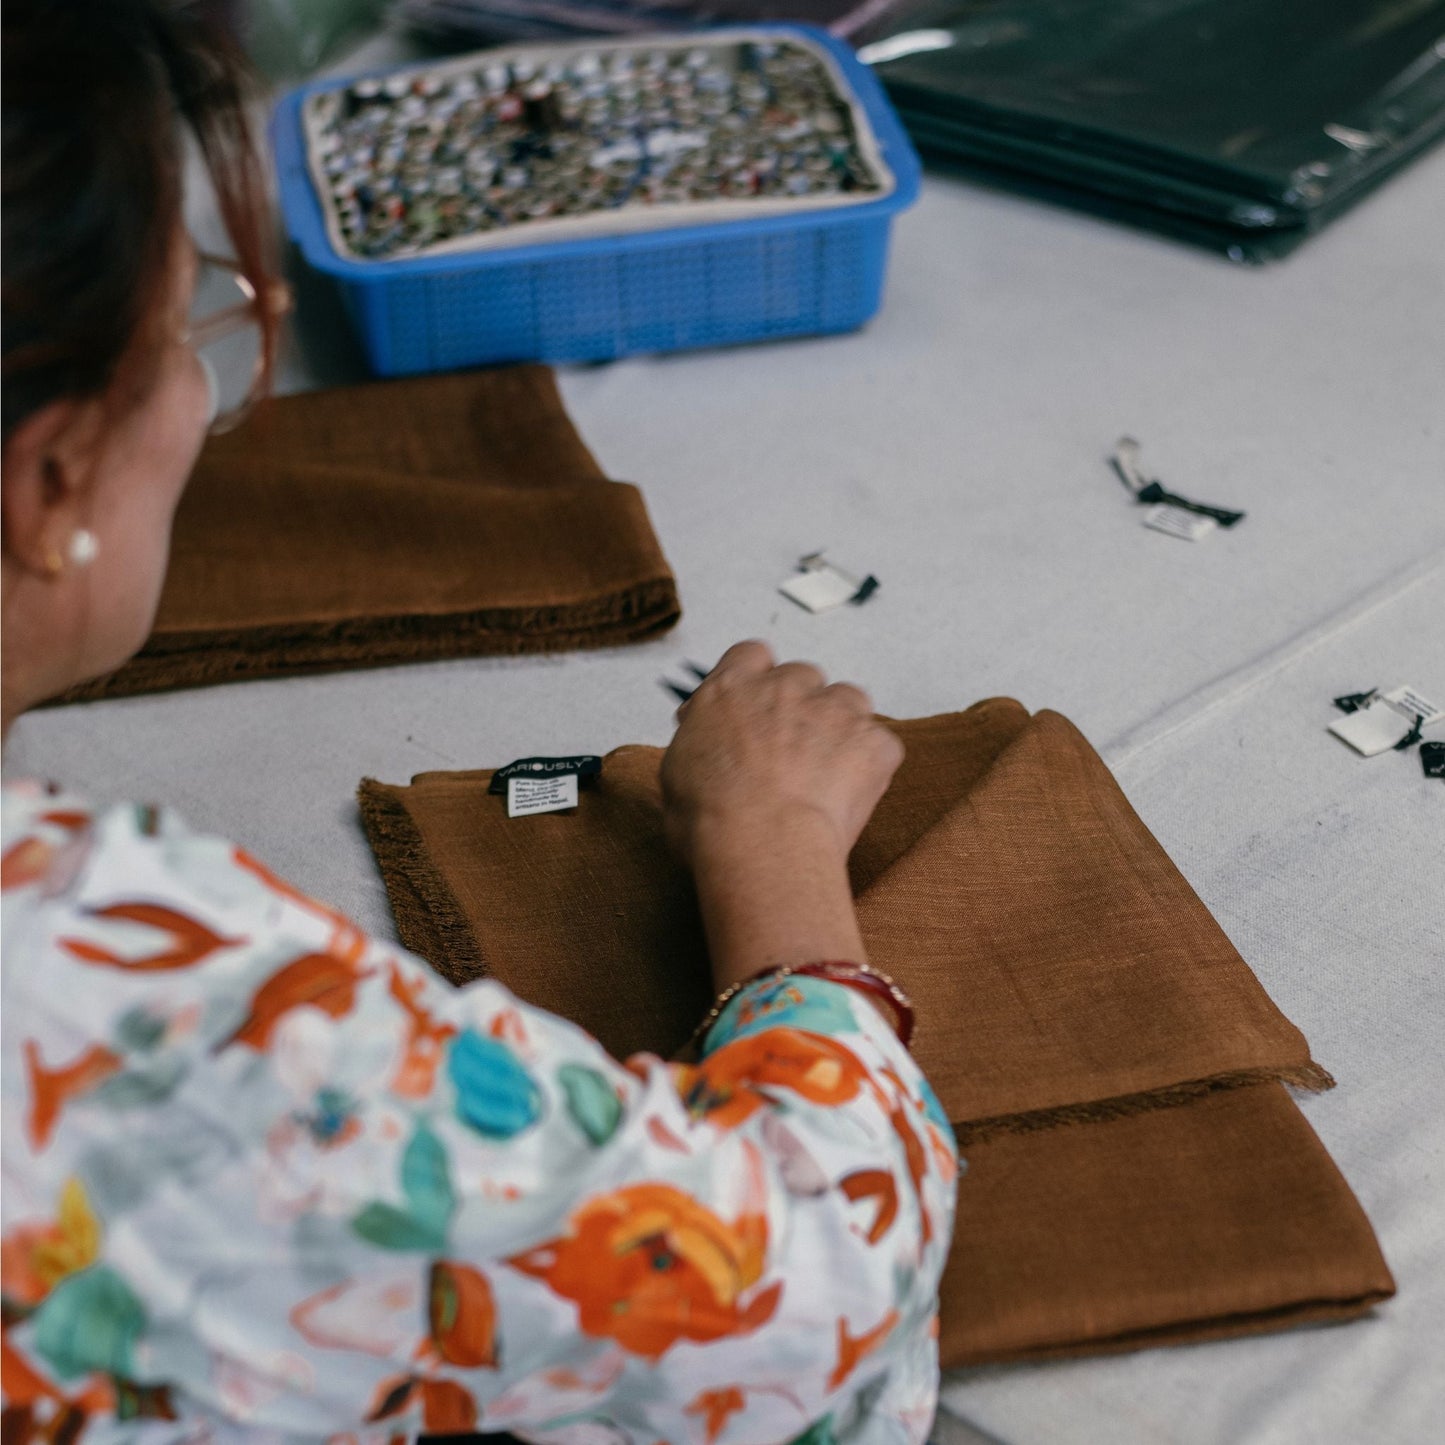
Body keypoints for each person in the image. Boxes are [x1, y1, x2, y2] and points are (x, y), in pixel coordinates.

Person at [0, 4, 956, 1442]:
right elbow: (810, 1306)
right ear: (46, 486)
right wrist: (778, 856)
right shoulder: (114, 990)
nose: (207, 394)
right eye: (181, 333)